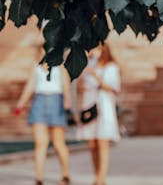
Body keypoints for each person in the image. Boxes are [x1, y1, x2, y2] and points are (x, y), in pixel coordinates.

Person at [15, 50, 72, 185]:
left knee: (58, 143)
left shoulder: (61, 66)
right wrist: (21, 103)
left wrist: (67, 102)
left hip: (56, 101)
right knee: (41, 143)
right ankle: (39, 177)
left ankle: (65, 174)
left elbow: (66, 85)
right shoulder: (37, 66)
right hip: (39, 102)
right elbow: (31, 85)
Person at [77, 43, 121, 185]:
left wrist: (95, 76)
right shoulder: (88, 65)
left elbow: (113, 88)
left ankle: (101, 178)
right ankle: (97, 175)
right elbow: (81, 87)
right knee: (92, 143)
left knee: (103, 141)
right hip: (89, 103)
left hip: (104, 105)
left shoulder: (111, 67)